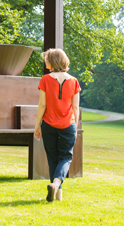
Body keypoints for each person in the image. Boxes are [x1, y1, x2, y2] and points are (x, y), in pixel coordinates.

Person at [34, 48, 81, 202]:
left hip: (48, 124)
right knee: (66, 157)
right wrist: (75, 124)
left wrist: (37, 125)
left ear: (52, 61)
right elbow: (75, 107)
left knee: (53, 158)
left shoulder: (45, 79)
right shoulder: (73, 81)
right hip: (68, 125)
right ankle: (56, 186)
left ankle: (56, 192)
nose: (45, 61)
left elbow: (42, 105)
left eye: (47, 58)